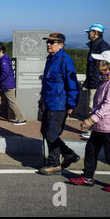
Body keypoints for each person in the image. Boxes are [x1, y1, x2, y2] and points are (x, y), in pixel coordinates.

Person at [38, 32, 80, 176]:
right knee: (45, 131)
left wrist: (71, 104)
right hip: (48, 103)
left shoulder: (65, 60)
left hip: (59, 104)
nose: (48, 45)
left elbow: (72, 84)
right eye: (48, 42)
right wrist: (42, 98)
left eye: (52, 42)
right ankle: (69, 154)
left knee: (51, 133)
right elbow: (47, 83)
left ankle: (54, 164)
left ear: (61, 45)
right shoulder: (50, 59)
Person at [70, 50, 110, 192]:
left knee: (109, 156)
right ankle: (87, 177)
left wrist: (91, 120)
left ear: (107, 65)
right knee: (91, 150)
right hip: (100, 125)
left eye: (100, 61)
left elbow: (108, 105)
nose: (96, 63)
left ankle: (88, 177)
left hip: (108, 126)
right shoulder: (103, 80)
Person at [81, 23, 110, 140]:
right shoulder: (95, 45)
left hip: (97, 82)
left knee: (93, 107)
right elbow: (91, 66)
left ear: (96, 33)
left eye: (90, 32)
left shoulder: (103, 47)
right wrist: (88, 80)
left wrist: (93, 81)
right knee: (92, 106)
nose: (88, 34)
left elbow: (101, 68)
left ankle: (91, 129)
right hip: (93, 81)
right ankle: (92, 129)